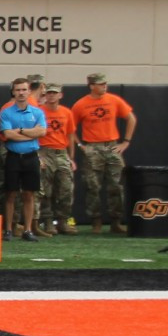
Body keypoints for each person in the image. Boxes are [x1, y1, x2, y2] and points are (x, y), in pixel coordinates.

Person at [70, 71, 136, 234]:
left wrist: (126, 142)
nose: (104, 86)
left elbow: (131, 118)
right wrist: (80, 146)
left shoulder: (114, 100)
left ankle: (116, 221)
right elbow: (70, 129)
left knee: (116, 185)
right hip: (92, 147)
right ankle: (96, 221)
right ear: (91, 86)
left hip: (112, 146)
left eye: (105, 83)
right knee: (93, 186)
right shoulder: (81, 104)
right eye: (100, 84)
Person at [1, 79, 47, 243]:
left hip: (31, 157)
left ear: (29, 92)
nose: (21, 93)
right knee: (11, 194)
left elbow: (41, 132)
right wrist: (30, 133)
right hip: (13, 156)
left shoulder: (37, 112)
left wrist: (20, 131)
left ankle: (27, 230)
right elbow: (8, 134)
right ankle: (8, 229)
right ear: (13, 92)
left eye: (24, 89)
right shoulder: (7, 112)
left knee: (29, 194)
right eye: (18, 90)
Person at [38, 84, 77, 236]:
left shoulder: (67, 112)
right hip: (45, 151)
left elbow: (70, 135)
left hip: (61, 153)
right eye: (49, 93)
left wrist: (71, 157)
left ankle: (63, 221)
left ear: (60, 95)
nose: (51, 96)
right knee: (46, 189)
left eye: (55, 93)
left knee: (66, 188)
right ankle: (48, 221)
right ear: (45, 95)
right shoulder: (39, 111)